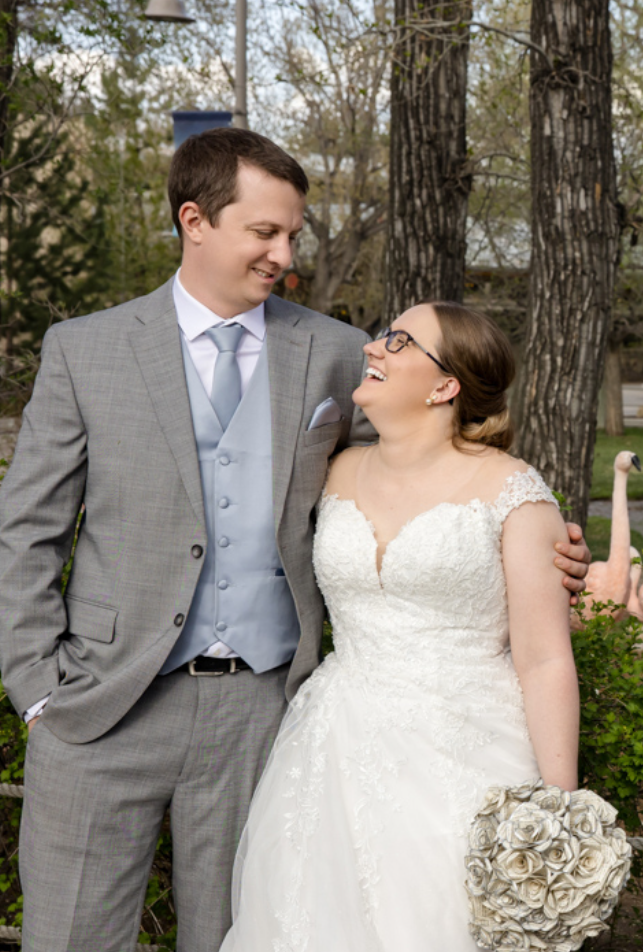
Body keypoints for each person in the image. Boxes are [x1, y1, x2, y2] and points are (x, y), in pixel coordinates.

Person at [0, 128, 592, 952]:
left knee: (243, 934)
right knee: (69, 937)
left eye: (292, 234)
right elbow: (24, 531)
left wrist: (539, 535)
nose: (285, 253)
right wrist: (36, 688)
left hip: (264, 712)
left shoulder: (337, 355)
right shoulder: (86, 351)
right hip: (102, 704)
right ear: (195, 220)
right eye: (265, 232)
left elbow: (438, 466)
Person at [221, 300, 577, 949]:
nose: (374, 348)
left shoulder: (513, 490)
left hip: (466, 755)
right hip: (329, 753)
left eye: (400, 341)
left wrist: (561, 811)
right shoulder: (333, 470)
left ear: (446, 386)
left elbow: (545, 659)